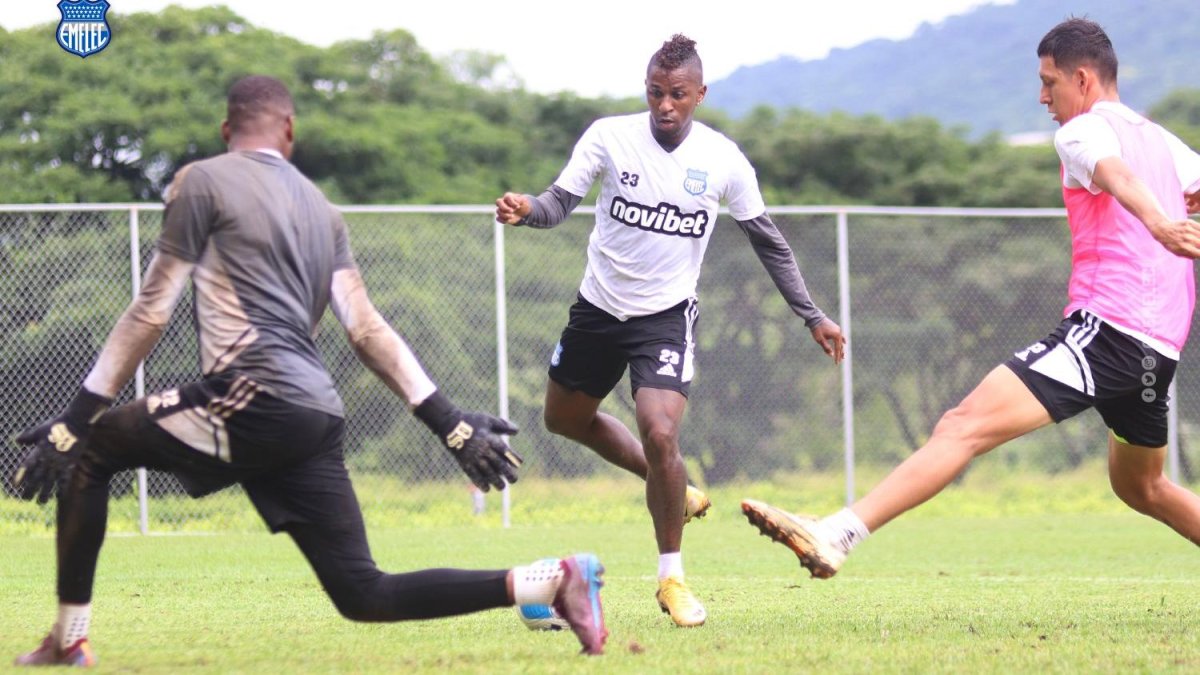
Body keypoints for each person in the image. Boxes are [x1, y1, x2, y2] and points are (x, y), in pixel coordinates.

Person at [11, 75, 607, 667]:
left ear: (226, 131)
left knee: (88, 447)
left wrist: (75, 418)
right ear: (289, 131)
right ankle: (550, 581)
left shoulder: (201, 181)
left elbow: (150, 312)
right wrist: (449, 424)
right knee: (363, 592)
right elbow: (367, 329)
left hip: (251, 394)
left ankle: (69, 639)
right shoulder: (324, 212)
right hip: (314, 413)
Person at [742, 18, 1200, 580]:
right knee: (1143, 486)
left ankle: (836, 532)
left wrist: (1157, 223)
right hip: (1157, 352)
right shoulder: (1164, 142)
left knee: (962, 426)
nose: (1042, 97)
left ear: (1082, 79)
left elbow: (1116, 175)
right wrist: (1167, 220)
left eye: (1048, 81)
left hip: (1108, 331)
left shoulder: (1081, 131)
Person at [495, 35, 845, 627]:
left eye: (677, 95)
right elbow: (557, 203)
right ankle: (673, 488)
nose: (664, 105)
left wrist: (812, 314)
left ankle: (672, 579)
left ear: (699, 94)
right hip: (598, 308)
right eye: (655, 93)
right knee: (563, 419)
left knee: (659, 431)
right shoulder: (609, 136)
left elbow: (769, 242)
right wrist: (527, 208)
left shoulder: (724, 160)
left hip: (665, 317)